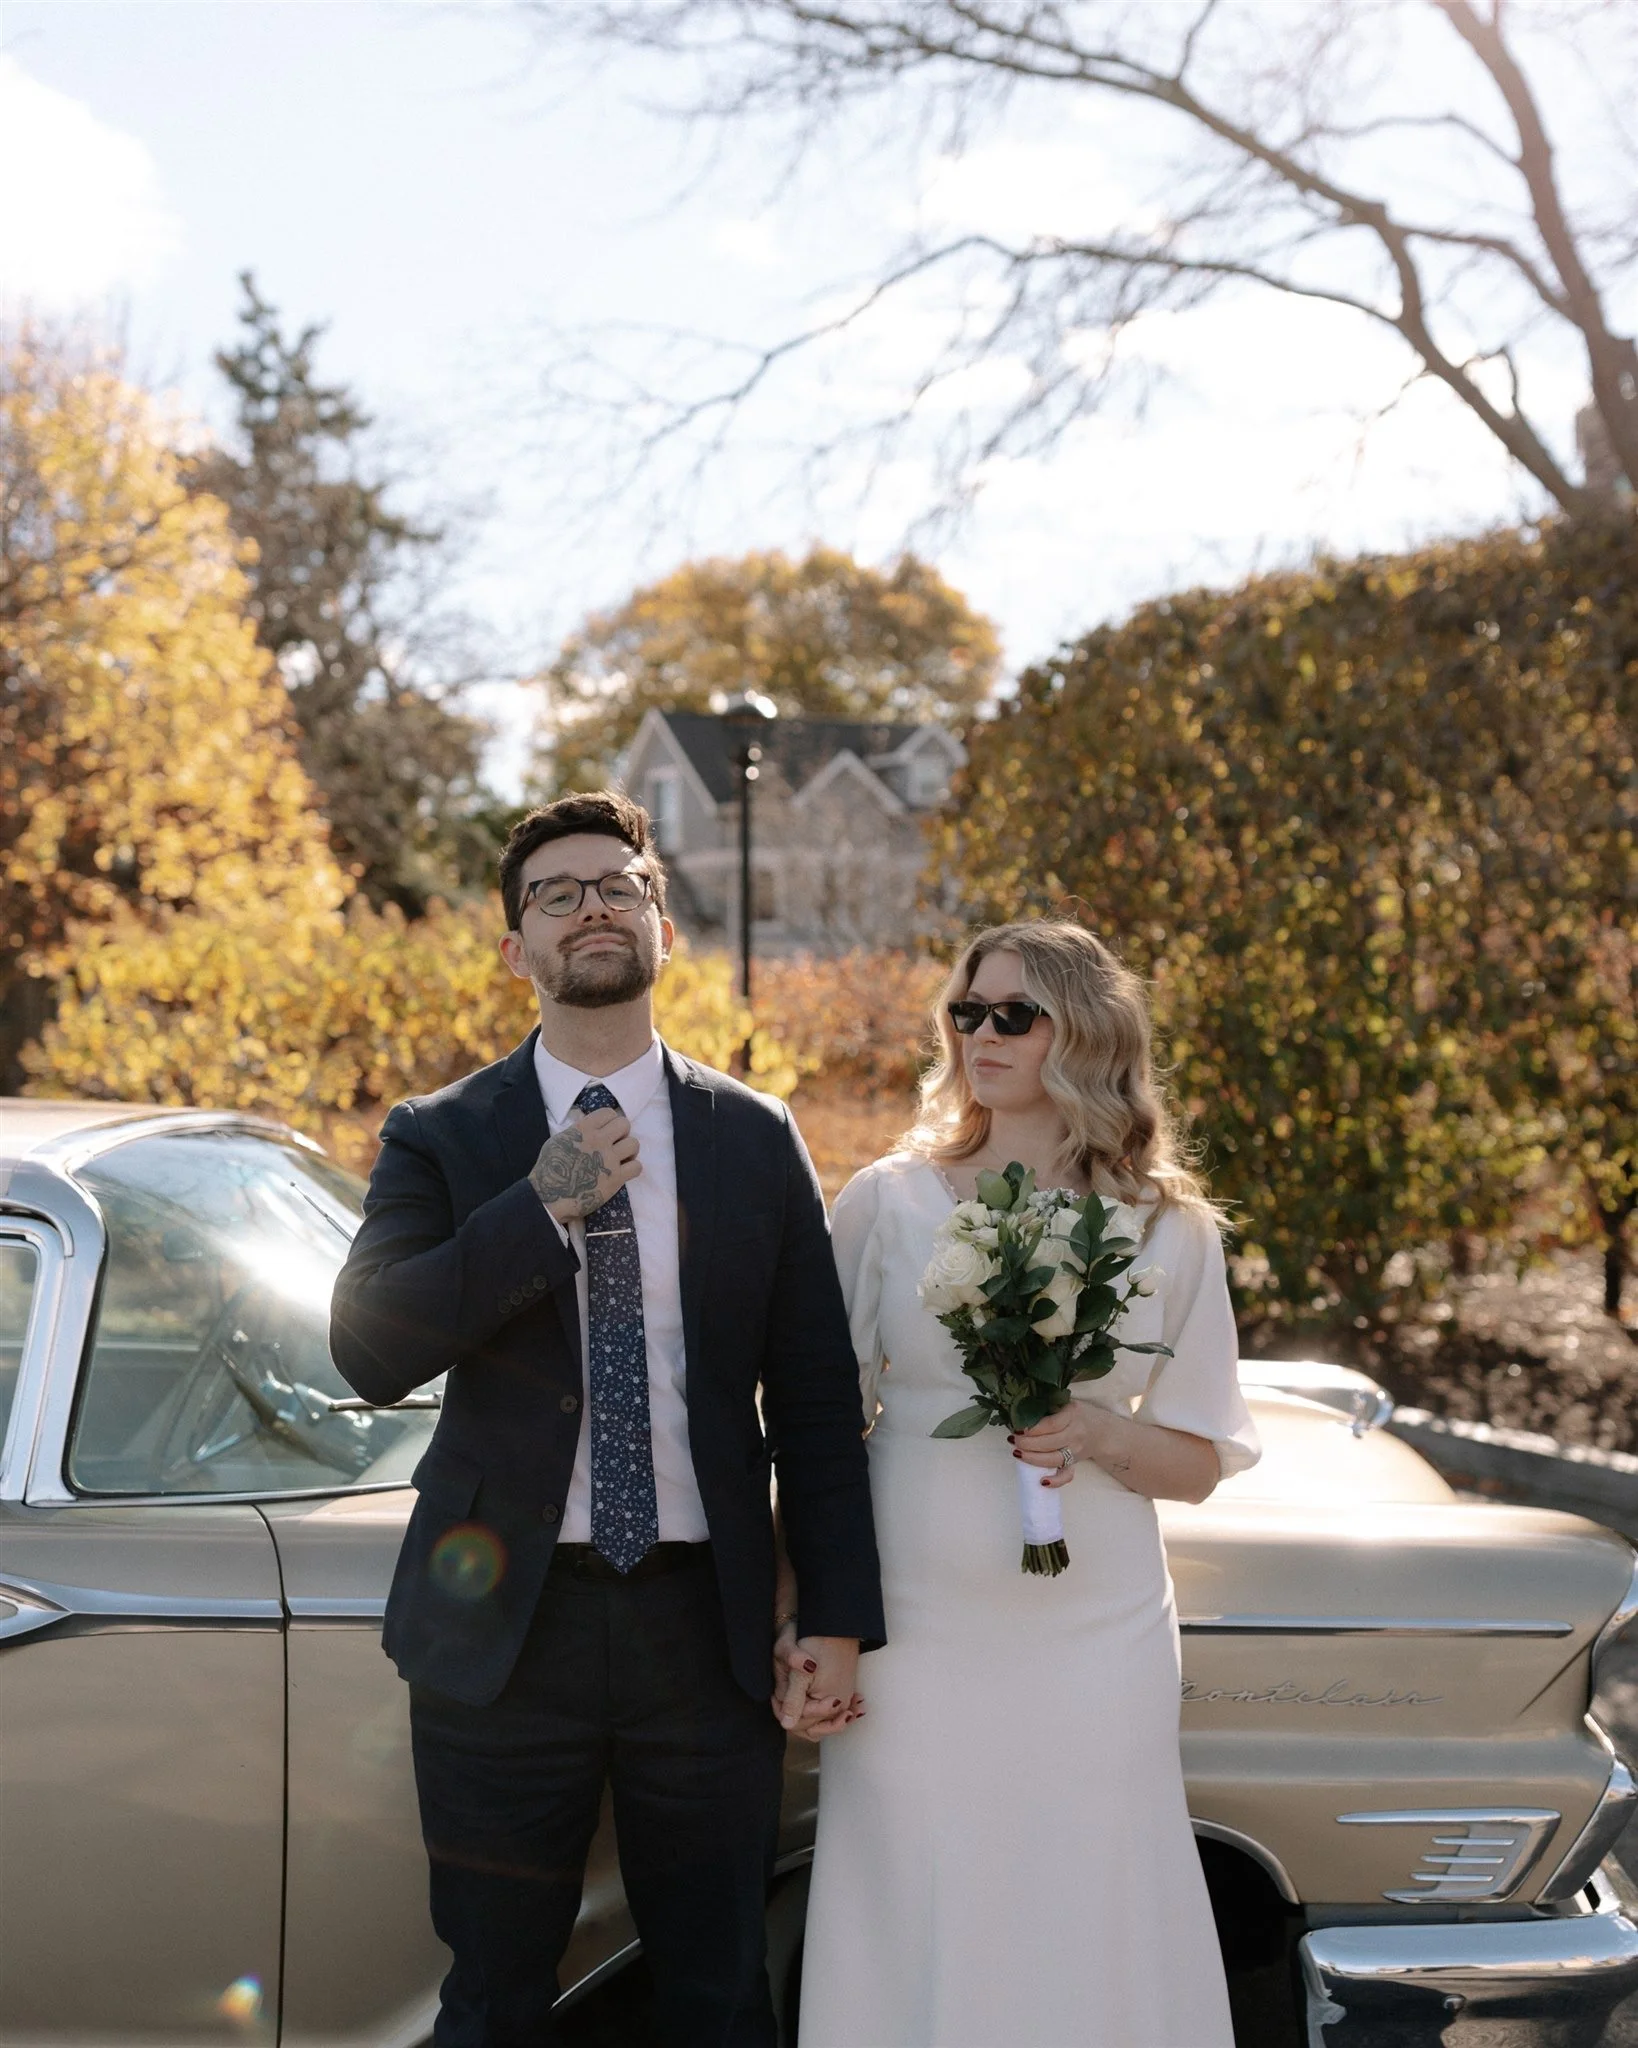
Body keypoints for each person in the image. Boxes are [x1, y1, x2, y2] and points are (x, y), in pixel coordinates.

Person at [330, 791, 884, 2048]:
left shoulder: (755, 1136)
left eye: (620, 885)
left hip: (705, 1633)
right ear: (515, 944)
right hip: (501, 1633)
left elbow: (813, 1394)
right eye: (558, 892)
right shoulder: (440, 1135)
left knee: (720, 1994)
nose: (593, 906)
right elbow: (370, 1347)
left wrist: (836, 1616)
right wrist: (544, 1204)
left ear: (664, 928)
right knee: (493, 1998)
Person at [796, 919, 1260, 2048]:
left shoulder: (1171, 1226)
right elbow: (815, 1433)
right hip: (911, 1631)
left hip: (1096, 1637)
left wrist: (1094, 1431)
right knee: (915, 1898)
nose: (981, 1034)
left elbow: (1201, 1461)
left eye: (1015, 1013)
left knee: (1089, 1909)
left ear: (1087, 1030)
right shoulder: (886, 1201)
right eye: (966, 1012)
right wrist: (805, 1619)